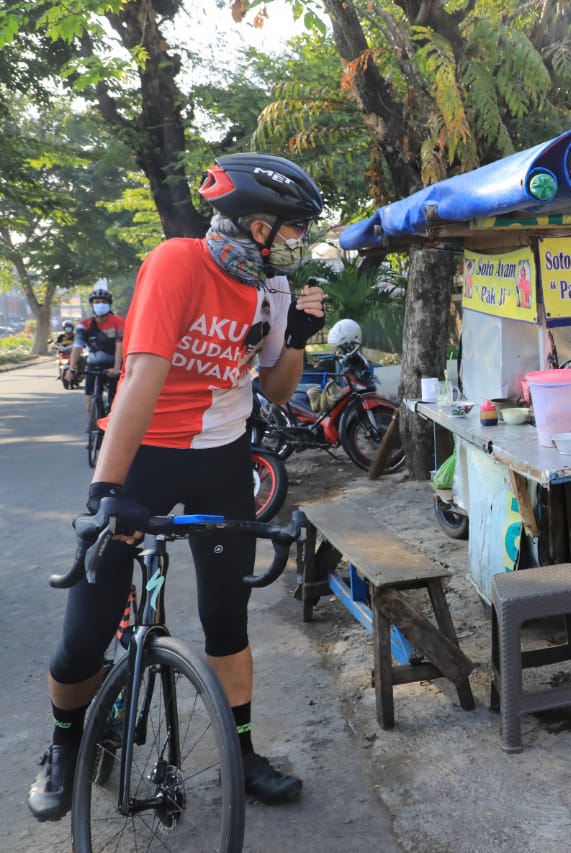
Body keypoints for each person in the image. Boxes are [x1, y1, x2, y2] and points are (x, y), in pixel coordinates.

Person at [29, 152, 327, 821]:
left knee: (227, 620)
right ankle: (64, 746)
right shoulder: (178, 261)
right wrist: (107, 489)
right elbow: (142, 375)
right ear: (256, 224)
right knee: (86, 634)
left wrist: (298, 339)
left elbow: (275, 387)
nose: (295, 242)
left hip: (223, 460)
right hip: (142, 455)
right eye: (290, 229)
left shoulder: (272, 290)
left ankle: (242, 751)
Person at [65, 284, 125, 421]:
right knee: (89, 402)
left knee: (115, 403)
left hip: (114, 365)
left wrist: (117, 368)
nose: (100, 305)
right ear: (91, 305)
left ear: (109, 305)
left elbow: (119, 344)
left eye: (104, 302)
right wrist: (71, 367)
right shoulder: (84, 324)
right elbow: (78, 345)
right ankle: (93, 431)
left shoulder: (118, 321)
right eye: (97, 302)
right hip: (94, 366)